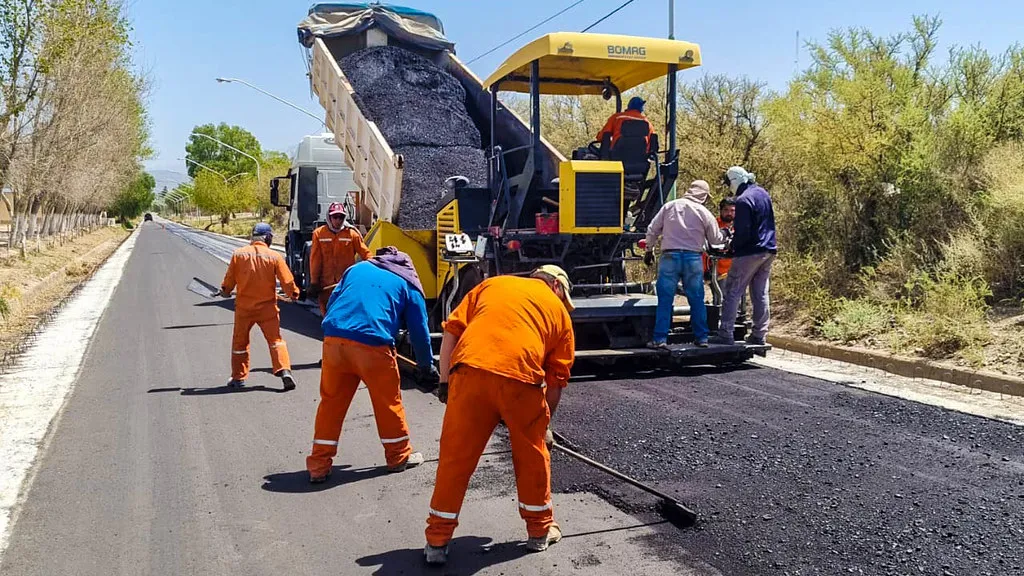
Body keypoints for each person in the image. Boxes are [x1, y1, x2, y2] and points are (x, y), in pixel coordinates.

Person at [424, 265, 575, 566]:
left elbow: (450, 334)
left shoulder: (491, 285)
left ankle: (436, 541)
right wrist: (543, 429)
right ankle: (540, 531)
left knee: (456, 457)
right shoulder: (559, 312)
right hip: (520, 379)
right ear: (557, 288)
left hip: (468, 371)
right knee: (531, 455)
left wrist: (444, 382)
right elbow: (556, 381)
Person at [306, 246, 436, 483]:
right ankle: (398, 457)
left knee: (331, 404)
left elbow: (333, 302)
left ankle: (318, 464)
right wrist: (426, 366)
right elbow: (419, 331)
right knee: (388, 403)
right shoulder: (407, 282)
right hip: (372, 345)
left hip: (334, 340)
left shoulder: (356, 269)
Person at [643, 180, 727, 348]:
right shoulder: (704, 212)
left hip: (669, 258)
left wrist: (649, 250)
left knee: (665, 300)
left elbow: (652, 229)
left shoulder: (670, 206)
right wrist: (725, 234)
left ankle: (660, 339)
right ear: (704, 195)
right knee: (696, 299)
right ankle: (701, 338)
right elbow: (715, 240)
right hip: (693, 258)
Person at [221, 223, 300, 391]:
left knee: (240, 343)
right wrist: (294, 294)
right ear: (268, 238)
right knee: (276, 341)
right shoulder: (274, 256)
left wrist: (225, 291)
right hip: (268, 309)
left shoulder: (238, 255)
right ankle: (284, 370)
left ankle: (238, 378)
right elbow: (287, 281)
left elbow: (229, 281)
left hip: (244, 309)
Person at [710, 166, 777, 346]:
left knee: (732, 291)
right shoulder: (763, 193)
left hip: (750, 251)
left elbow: (743, 230)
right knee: (760, 293)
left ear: (734, 181)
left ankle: (725, 334)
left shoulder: (743, 200)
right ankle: (759, 334)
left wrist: (732, 248)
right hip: (768, 249)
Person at [308, 201, 371, 315]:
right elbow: (315, 260)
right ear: (329, 217)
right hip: (326, 285)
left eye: (341, 217)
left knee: (345, 312)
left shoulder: (352, 234)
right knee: (327, 314)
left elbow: (365, 253)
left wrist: (375, 266)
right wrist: (314, 282)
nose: (338, 220)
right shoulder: (319, 234)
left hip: (345, 284)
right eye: (335, 217)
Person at [703, 197, 736, 283]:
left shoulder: (740, 226)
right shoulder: (714, 226)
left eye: (732, 210)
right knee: (720, 296)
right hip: (717, 272)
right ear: (721, 211)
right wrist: (705, 270)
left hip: (736, 271)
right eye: (726, 210)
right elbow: (704, 251)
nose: (729, 213)